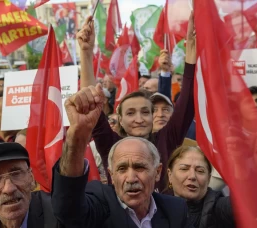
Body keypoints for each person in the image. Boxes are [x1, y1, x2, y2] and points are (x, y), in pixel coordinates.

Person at [77, 15, 196, 191]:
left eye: (145, 112)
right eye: (131, 113)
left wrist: (192, 47)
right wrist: (86, 53)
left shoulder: (166, 139)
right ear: (120, 119)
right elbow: (90, 104)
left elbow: (187, 99)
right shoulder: (111, 144)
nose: (139, 119)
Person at [52, 83, 190, 227]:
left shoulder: (175, 210)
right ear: (111, 174)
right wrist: (76, 137)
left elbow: (187, 103)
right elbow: (68, 210)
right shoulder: (101, 202)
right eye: (122, 169)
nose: (131, 179)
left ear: (158, 172)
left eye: (140, 167)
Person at [167, 146, 234, 228]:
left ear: (209, 179)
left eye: (200, 171)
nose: (192, 176)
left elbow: (246, 204)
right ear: (170, 175)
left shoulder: (220, 207)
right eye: (184, 169)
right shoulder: (155, 207)